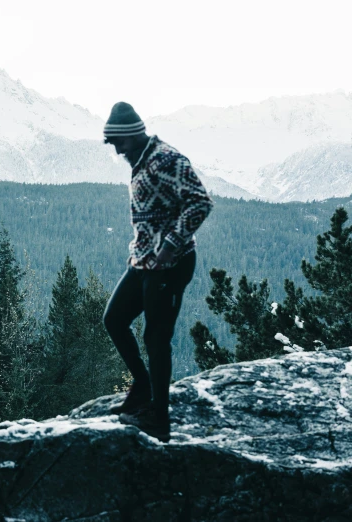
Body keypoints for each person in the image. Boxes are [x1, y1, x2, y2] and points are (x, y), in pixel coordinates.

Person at [101, 102, 213, 442]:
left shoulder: (165, 159)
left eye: (118, 142)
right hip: (144, 263)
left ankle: (158, 418)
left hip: (171, 264)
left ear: (133, 135)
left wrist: (169, 247)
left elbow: (200, 202)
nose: (117, 150)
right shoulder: (140, 160)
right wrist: (142, 253)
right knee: (114, 319)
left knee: (156, 338)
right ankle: (143, 386)